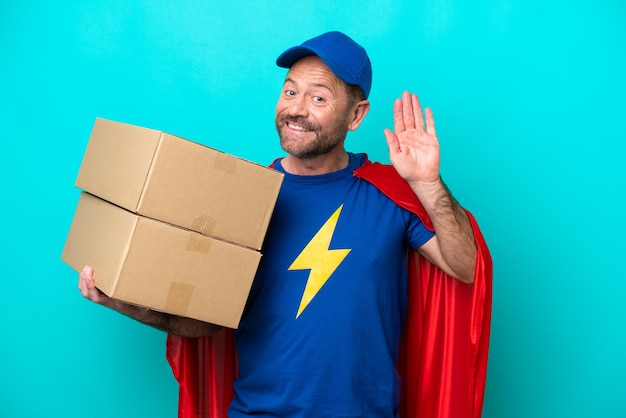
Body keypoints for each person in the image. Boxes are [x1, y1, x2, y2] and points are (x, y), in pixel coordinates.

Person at [79, 31, 491, 418]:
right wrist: (123, 301)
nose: (296, 108)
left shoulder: (388, 193)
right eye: (290, 90)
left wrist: (426, 183)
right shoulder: (243, 199)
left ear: (356, 115)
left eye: (318, 97)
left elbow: (463, 266)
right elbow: (203, 324)